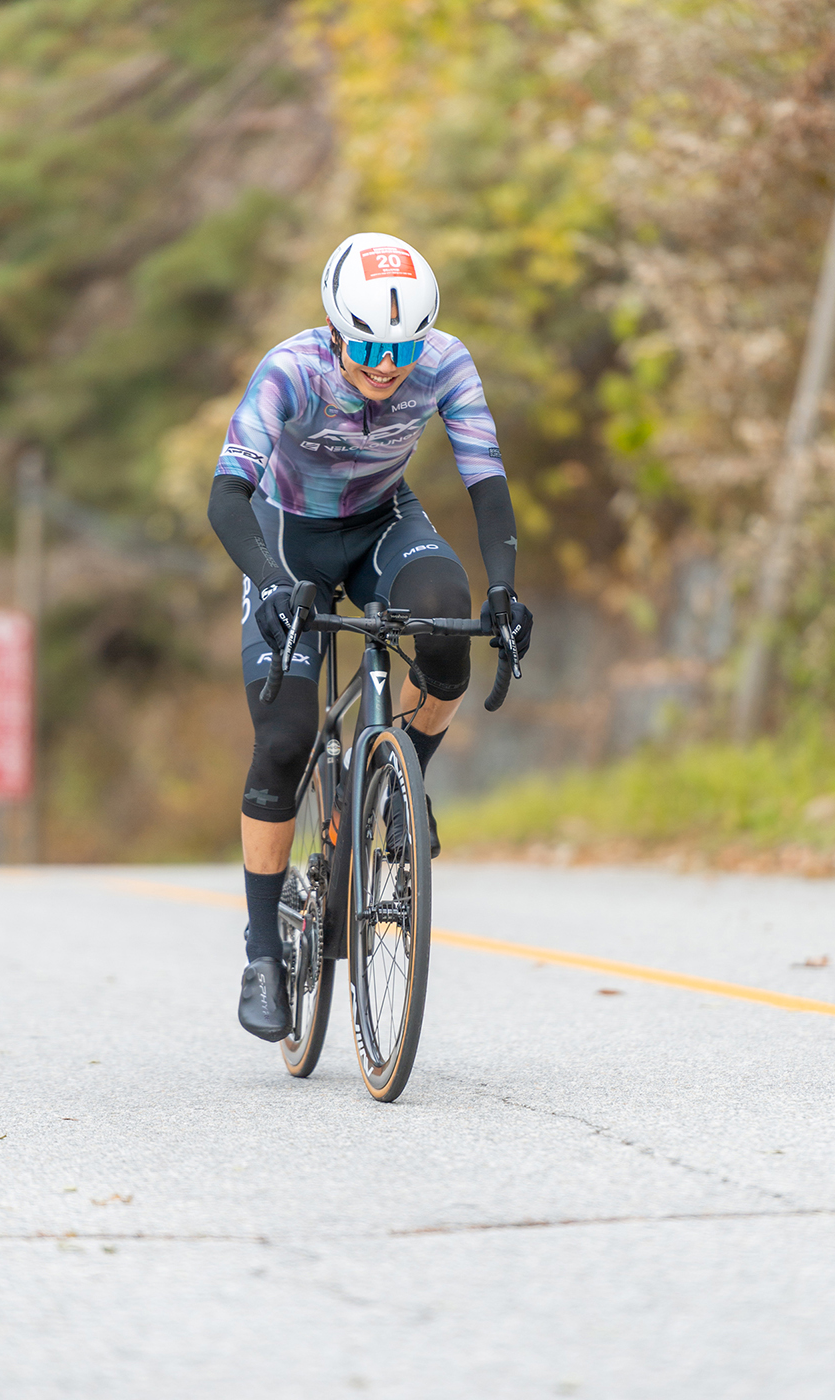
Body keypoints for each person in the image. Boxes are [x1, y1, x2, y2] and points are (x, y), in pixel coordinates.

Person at [208, 231, 533, 1042]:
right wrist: (271, 582)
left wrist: (503, 587)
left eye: (403, 347)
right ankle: (262, 954)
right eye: (367, 346)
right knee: (284, 740)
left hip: (383, 523)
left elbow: (486, 479)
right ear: (334, 328)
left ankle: (394, 784)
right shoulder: (291, 370)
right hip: (288, 539)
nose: (387, 365)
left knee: (448, 624)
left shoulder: (445, 362)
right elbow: (226, 495)